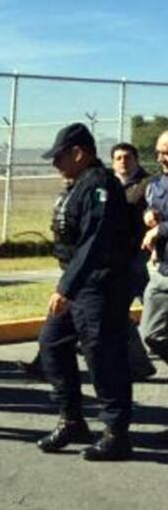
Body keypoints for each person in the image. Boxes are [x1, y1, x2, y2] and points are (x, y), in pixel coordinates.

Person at [36, 123, 133, 461]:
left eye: (60, 156)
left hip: (99, 286)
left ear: (79, 153)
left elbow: (94, 244)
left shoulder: (100, 187)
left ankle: (116, 432)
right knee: (52, 343)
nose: (55, 163)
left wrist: (66, 287)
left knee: (102, 357)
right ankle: (72, 420)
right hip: (78, 285)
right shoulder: (78, 185)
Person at [110, 142, 157, 380]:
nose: (123, 162)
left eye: (128, 157)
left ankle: (139, 362)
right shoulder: (108, 184)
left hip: (137, 252)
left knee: (118, 306)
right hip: (116, 254)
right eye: (118, 158)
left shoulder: (148, 184)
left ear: (136, 159)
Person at [139, 131, 168, 366]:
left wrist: (161, 230)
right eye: (158, 152)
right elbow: (149, 208)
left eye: (166, 152)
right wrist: (148, 215)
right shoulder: (156, 184)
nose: (161, 158)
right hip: (163, 270)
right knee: (151, 333)